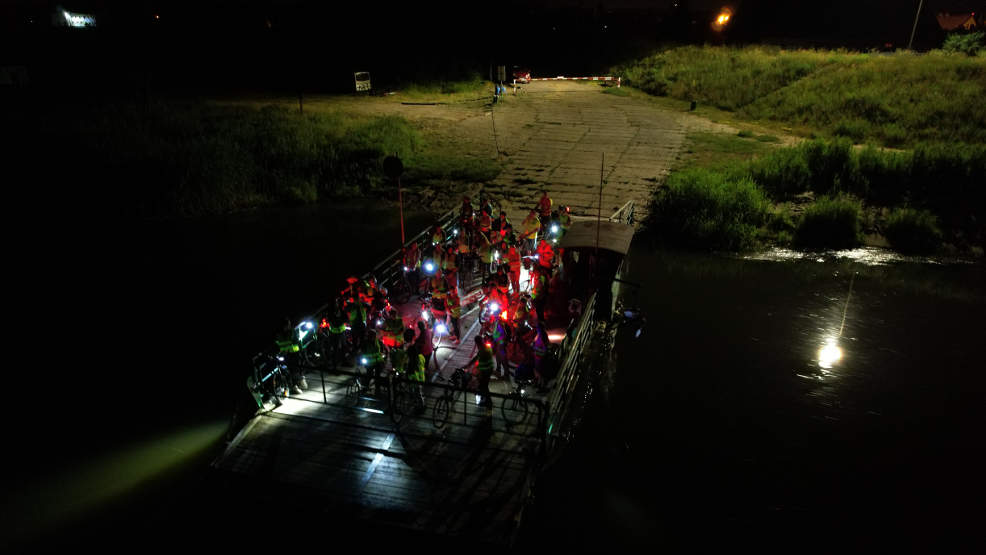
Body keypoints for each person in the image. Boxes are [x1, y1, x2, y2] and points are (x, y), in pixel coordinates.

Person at [275, 317, 305, 395]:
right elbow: (277, 344)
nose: (288, 326)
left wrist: (301, 351)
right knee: (290, 371)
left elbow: (297, 342)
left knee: (295, 370)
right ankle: (294, 385)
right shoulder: (280, 334)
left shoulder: (291, 332)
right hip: (286, 355)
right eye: (287, 325)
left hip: (294, 353)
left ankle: (296, 385)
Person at [467, 336, 495, 416]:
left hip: (485, 372)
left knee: (484, 387)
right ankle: (484, 400)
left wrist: (477, 373)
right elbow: (477, 356)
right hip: (489, 370)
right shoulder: (486, 347)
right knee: (483, 386)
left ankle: (489, 406)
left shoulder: (482, 350)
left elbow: (481, 363)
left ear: (476, 343)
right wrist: (469, 364)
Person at [532, 322, 550, 389]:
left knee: (540, 372)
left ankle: (542, 386)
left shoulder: (542, 336)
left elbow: (545, 350)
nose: (536, 328)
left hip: (540, 357)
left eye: (537, 327)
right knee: (537, 371)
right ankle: (540, 384)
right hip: (537, 356)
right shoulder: (539, 335)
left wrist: (534, 348)